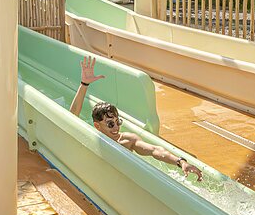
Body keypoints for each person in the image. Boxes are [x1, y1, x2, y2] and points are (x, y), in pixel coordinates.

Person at [71, 55, 202, 180]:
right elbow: (72, 116)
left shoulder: (126, 141)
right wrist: (84, 84)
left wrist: (180, 161)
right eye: (110, 124)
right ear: (97, 125)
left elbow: (154, 150)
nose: (116, 127)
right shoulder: (90, 134)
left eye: (118, 122)